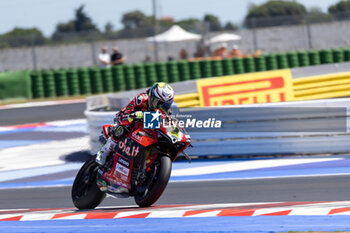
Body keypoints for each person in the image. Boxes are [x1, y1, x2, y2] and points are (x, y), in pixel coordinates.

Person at [96, 82, 175, 166]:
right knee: (122, 128)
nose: (161, 107)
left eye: (165, 105)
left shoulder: (165, 112)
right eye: (159, 102)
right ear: (152, 96)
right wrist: (134, 115)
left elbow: (168, 122)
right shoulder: (140, 99)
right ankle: (105, 151)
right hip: (133, 123)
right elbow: (123, 114)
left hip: (147, 131)